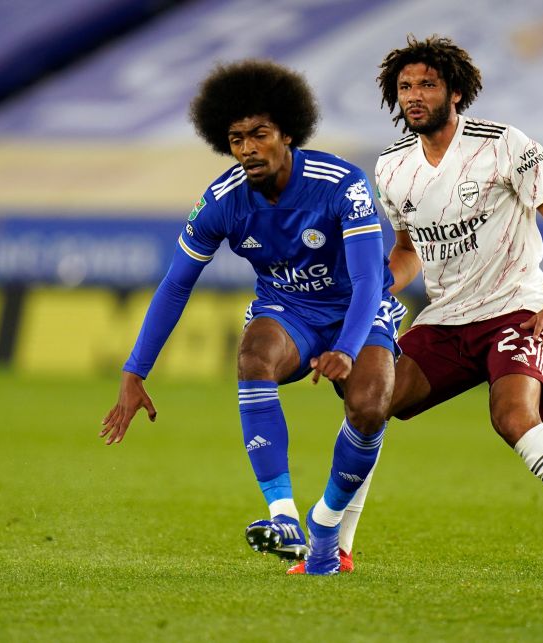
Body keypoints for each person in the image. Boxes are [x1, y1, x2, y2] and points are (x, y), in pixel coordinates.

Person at [291, 34, 543, 579]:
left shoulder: (504, 145)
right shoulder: (392, 168)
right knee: (371, 403)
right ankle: (336, 549)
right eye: (406, 87)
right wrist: (376, 287)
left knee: (513, 418)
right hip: (443, 319)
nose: (415, 95)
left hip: (514, 309)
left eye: (427, 85)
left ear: (455, 92)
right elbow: (408, 250)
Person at [99, 59, 405, 575]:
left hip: (358, 308)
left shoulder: (342, 184)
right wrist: (134, 372)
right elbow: (176, 285)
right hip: (288, 310)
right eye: (236, 138)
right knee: (253, 356)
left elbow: (370, 280)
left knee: (370, 409)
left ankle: (326, 524)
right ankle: (282, 516)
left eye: (259, 134)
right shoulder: (221, 201)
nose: (247, 148)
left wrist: (346, 350)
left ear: (287, 132)